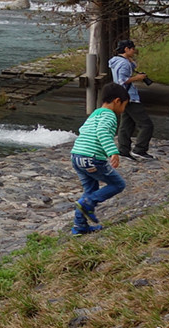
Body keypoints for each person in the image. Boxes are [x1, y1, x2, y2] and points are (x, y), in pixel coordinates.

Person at [69, 82, 130, 235]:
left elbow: (82, 130)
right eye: (124, 105)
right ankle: (88, 203)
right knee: (118, 184)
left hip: (76, 156)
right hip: (92, 158)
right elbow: (102, 132)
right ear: (117, 101)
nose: (123, 110)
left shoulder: (96, 113)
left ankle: (79, 226)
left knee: (90, 190)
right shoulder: (110, 115)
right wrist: (112, 152)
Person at [108, 39, 155, 161]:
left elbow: (130, 69)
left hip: (122, 96)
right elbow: (121, 80)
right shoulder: (123, 63)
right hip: (129, 97)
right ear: (126, 49)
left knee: (126, 124)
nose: (134, 51)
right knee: (146, 125)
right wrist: (137, 78)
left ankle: (123, 150)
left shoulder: (117, 61)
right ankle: (140, 150)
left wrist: (130, 60)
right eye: (132, 49)